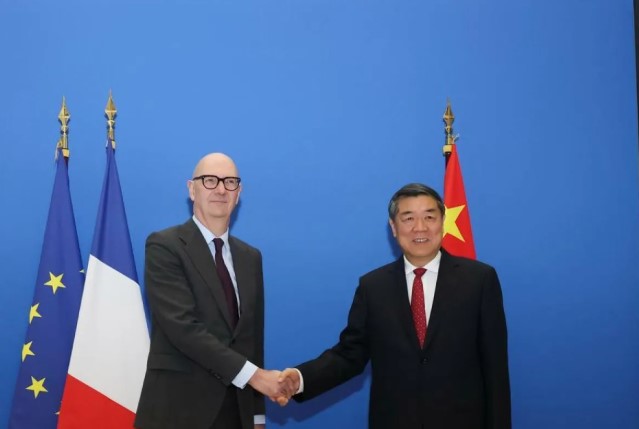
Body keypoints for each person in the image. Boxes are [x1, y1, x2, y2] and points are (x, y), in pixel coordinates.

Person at [279, 183, 511, 429]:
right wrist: (300, 379)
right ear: (393, 227)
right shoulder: (373, 287)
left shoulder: (479, 280)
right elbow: (349, 355)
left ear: (443, 222)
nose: (420, 227)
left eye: (429, 217)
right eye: (408, 218)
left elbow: (495, 370)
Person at [135, 153, 287, 429]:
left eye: (230, 182)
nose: (220, 189)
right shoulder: (164, 246)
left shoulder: (250, 257)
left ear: (238, 193)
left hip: (236, 414)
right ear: (192, 189)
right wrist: (256, 377)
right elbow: (183, 328)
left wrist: (257, 416)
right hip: (177, 412)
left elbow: (252, 341)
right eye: (209, 180)